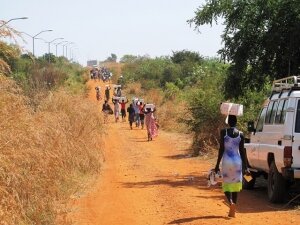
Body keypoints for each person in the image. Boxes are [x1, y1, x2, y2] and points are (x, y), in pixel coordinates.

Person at [214, 115, 249, 218]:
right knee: (235, 186)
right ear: (236, 122)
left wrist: (216, 165)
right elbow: (242, 152)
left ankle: (231, 203)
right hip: (237, 162)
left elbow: (221, 149)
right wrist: (246, 166)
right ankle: (234, 207)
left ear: (228, 122)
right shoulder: (241, 134)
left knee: (226, 185)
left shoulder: (223, 132)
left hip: (227, 162)